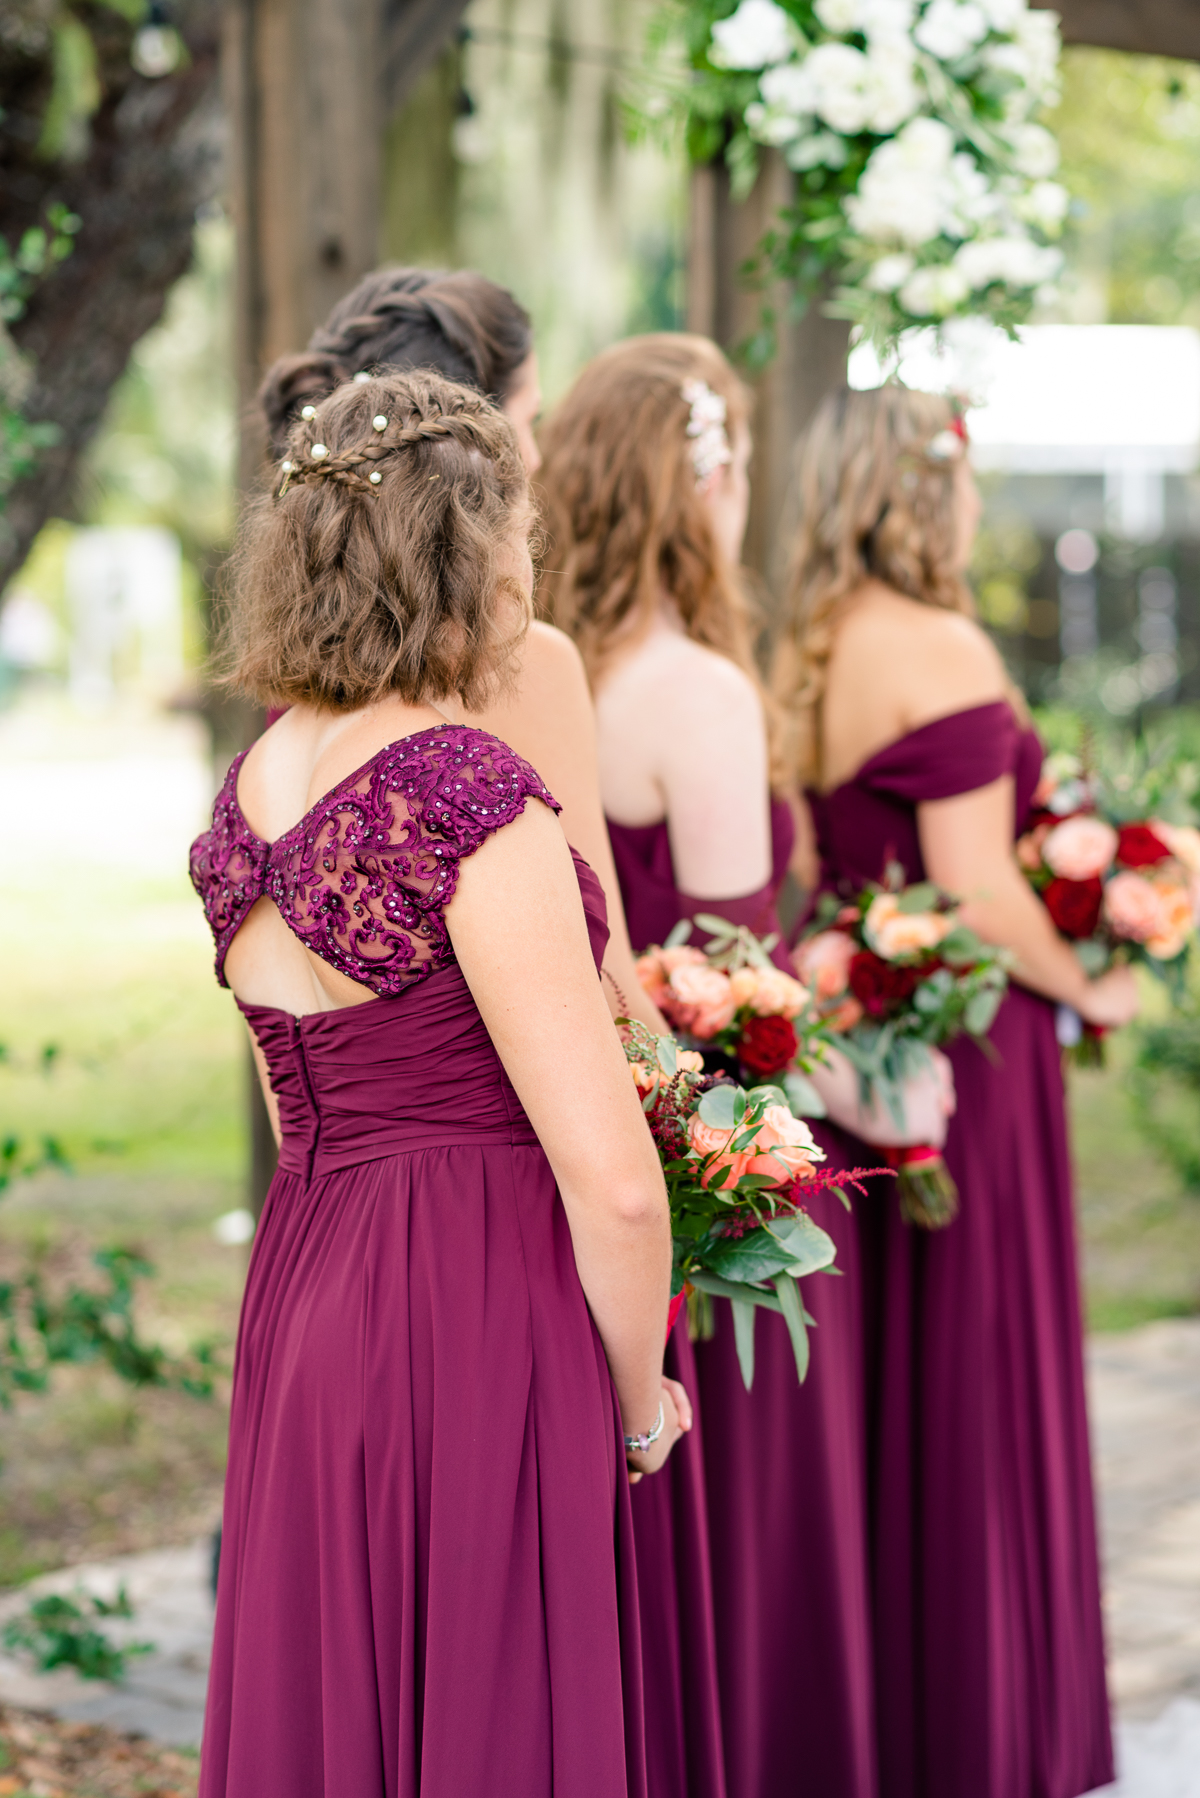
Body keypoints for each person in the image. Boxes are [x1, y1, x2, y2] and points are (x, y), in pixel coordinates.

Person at [190, 369, 688, 1798]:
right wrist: (640, 1400)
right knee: (490, 1714)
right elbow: (609, 1177)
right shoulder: (466, 791)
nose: (535, 555)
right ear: (462, 545)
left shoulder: (247, 795)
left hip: (306, 1300)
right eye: (519, 521)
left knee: (349, 1704)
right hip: (473, 1306)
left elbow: (303, 1117)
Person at [777, 382, 1137, 1798]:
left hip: (857, 1069)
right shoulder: (943, 642)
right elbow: (981, 892)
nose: (982, 503)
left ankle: (894, 1725)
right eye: (968, 476)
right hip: (967, 1067)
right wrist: (1092, 983)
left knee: (891, 1387)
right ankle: (987, 1737)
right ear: (925, 492)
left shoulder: (802, 651)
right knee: (975, 1383)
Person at [539, 334, 877, 1798]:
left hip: (579, 1139)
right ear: (704, 478)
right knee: (758, 1528)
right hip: (710, 1152)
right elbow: (741, 985)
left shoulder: (542, 673)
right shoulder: (698, 691)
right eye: (732, 452)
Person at [257, 264, 663, 1031]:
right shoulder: (523, 660)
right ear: (467, 445)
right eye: (528, 421)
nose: (536, 459)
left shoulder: (306, 683)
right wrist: (738, 1140)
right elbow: (603, 977)